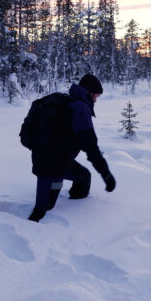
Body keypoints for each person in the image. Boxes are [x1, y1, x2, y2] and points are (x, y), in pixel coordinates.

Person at [28, 74, 116, 222]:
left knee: (44, 206)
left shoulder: (65, 102)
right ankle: (65, 218)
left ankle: (43, 208)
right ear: (89, 93)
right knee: (44, 207)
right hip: (56, 166)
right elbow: (91, 147)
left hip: (40, 159)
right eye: (96, 95)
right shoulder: (80, 109)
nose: (96, 99)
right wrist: (106, 174)